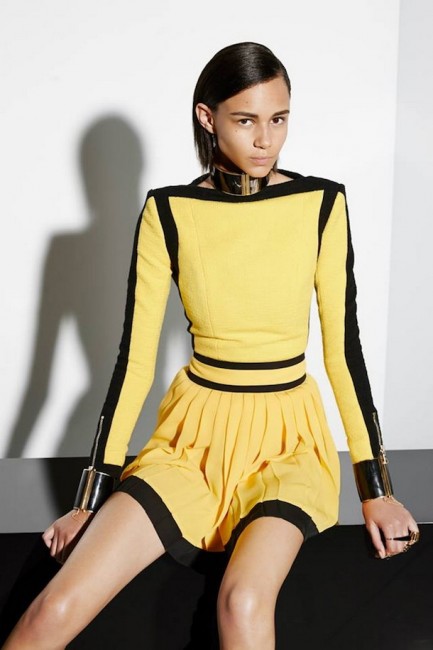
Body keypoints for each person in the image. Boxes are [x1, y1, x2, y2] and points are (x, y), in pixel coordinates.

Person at [3, 42, 419, 650]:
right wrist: (89, 498)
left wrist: (377, 490)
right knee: (54, 606)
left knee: (243, 600)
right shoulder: (168, 211)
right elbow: (133, 362)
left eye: (278, 119)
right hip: (190, 443)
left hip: (287, 444)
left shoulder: (322, 204)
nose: (266, 140)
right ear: (207, 117)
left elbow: (343, 354)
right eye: (246, 120)